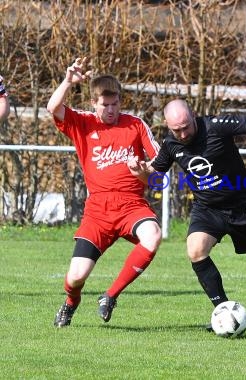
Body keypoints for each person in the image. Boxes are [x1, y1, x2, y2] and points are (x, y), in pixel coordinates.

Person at [128, 99, 246, 331]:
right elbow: (156, 179)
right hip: (208, 209)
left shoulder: (216, 125)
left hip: (243, 207)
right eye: (175, 129)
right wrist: (140, 172)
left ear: (194, 115)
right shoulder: (171, 143)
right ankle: (223, 312)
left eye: (185, 127)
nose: (181, 134)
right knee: (195, 250)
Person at [47, 57, 162, 327]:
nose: (111, 110)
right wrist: (68, 81)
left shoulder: (135, 125)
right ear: (93, 104)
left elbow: (158, 172)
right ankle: (71, 302)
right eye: (104, 105)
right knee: (76, 277)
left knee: (153, 235)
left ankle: (109, 296)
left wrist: (142, 172)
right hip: (98, 211)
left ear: (121, 101)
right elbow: (53, 107)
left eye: (115, 104)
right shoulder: (83, 123)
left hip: (132, 205)